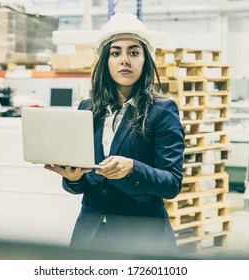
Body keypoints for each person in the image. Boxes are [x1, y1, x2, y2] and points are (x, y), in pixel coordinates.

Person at [44, 12, 185, 256]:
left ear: (145, 60)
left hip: (141, 238)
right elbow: (82, 186)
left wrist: (132, 168)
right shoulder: (87, 109)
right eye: (116, 52)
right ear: (105, 61)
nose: (124, 61)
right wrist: (74, 177)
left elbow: (172, 183)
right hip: (90, 236)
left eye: (133, 52)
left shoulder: (162, 111)